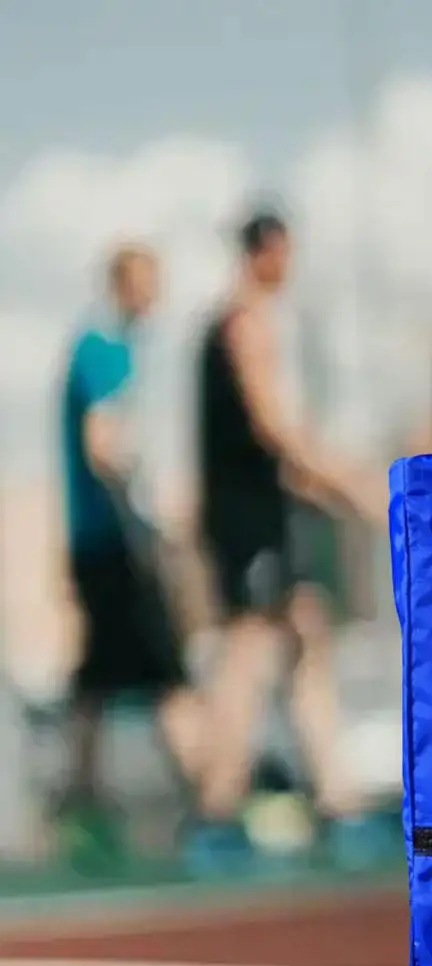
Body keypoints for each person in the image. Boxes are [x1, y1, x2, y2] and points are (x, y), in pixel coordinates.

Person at [190, 207, 388, 873]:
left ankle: (341, 801)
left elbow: (277, 444)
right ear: (266, 252)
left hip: (267, 510)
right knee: (248, 652)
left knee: (307, 633)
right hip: (245, 520)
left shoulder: (245, 321)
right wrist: (349, 482)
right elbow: (272, 425)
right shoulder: (244, 321)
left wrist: (327, 483)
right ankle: (216, 812)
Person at [56, 243, 209, 865]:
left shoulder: (101, 348)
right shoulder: (104, 350)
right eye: (150, 282)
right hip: (117, 543)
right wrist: (151, 519)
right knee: (167, 672)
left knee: (96, 679)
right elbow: (103, 443)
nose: (157, 296)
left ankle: (80, 801)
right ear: (126, 284)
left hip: (97, 542)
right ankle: (213, 800)